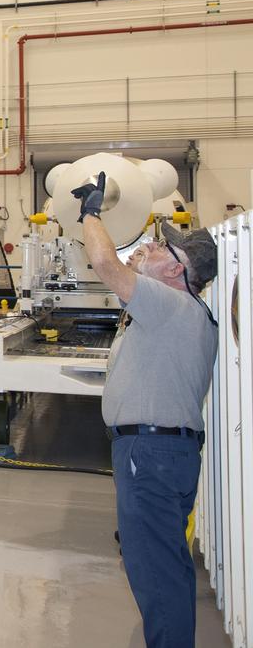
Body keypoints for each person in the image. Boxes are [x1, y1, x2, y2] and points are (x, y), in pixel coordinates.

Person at [72, 172, 219, 648]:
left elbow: (101, 259)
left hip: (150, 454)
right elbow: (117, 266)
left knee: (156, 574)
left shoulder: (169, 304)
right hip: (159, 453)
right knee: (163, 567)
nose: (146, 248)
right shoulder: (181, 310)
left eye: (158, 248)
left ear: (177, 271)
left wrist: (90, 213)